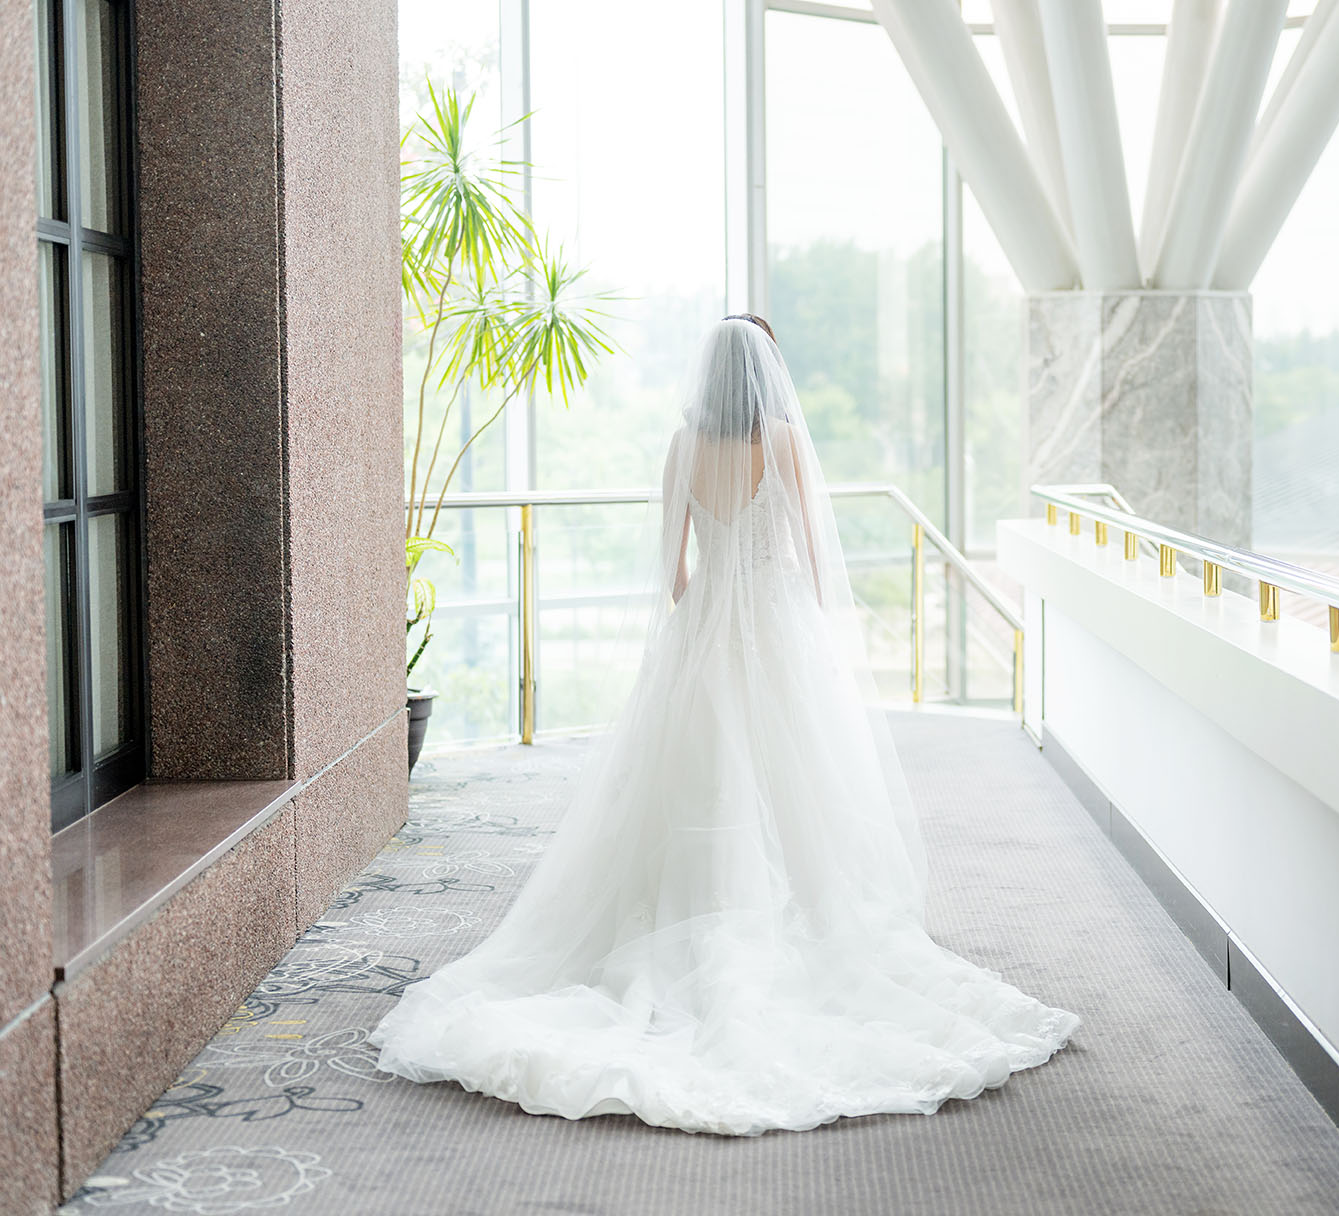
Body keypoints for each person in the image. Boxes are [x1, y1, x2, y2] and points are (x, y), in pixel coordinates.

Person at [372, 315, 1079, 1135]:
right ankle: (795, 912)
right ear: (767, 373)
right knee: (799, 786)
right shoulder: (782, 441)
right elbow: (817, 559)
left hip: (703, 633)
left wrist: (712, 610)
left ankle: (694, 911)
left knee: (689, 784)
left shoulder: (681, 448)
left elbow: (672, 571)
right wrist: (788, 621)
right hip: (776, 628)